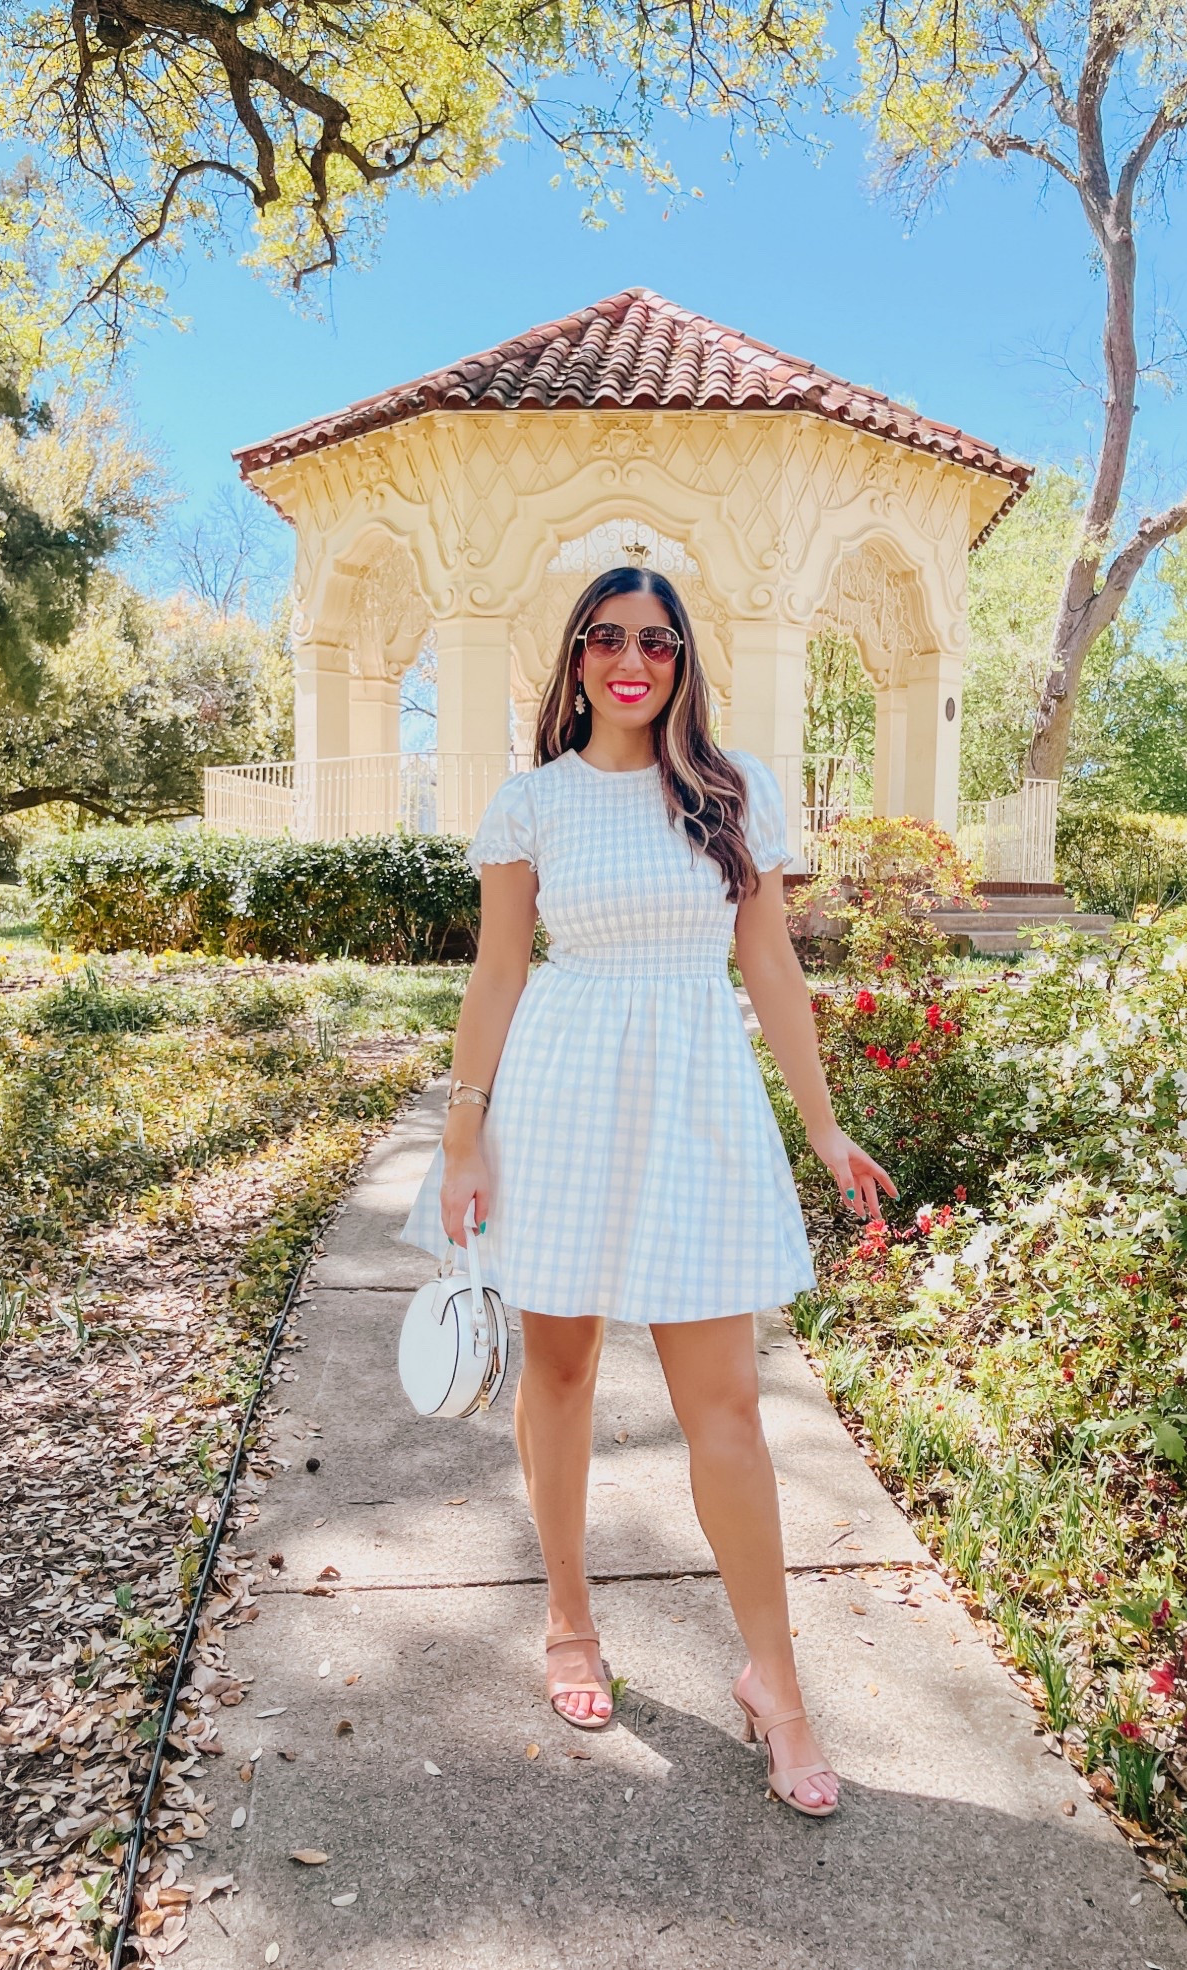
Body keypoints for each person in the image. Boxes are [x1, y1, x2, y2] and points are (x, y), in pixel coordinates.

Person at [400, 565, 894, 1818]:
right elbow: (497, 975)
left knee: (724, 1400)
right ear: (575, 659)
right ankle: (569, 1617)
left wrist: (824, 1129)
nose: (633, 660)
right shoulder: (532, 802)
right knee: (557, 1370)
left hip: (697, 1100)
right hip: (558, 1095)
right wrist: (463, 1139)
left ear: (682, 659)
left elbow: (771, 964)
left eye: (657, 641)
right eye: (608, 640)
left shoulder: (733, 793)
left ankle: (772, 1678)